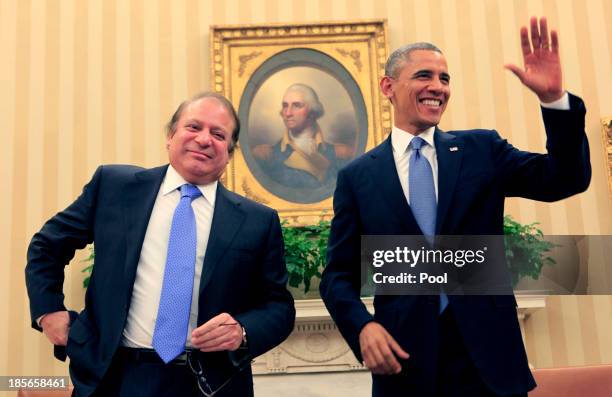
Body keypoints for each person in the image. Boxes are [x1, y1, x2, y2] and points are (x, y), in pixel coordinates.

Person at [320, 17, 590, 397]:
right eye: (424, 76)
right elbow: (337, 277)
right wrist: (362, 326)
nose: (437, 87)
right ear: (388, 86)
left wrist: (554, 102)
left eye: (445, 79)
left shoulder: (482, 151)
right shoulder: (358, 177)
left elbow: (566, 179)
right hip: (405, 366)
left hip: (490, 364)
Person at [25, 92, 296, 397]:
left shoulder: (257, 221)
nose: (204, 139)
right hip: (117, 378)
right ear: (170, 136)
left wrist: (243, 330)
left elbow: (279, 307)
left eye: (218, 134)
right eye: (193, 127)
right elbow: (47, 246)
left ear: (230, 153)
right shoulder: (114, 187)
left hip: (210, 384)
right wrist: (48, 312)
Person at [252, 83, 352, 189]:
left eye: (296, 105)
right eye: (285, 106)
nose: (288, 113)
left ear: (312, 112)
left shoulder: (341, 154)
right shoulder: (266, 155)